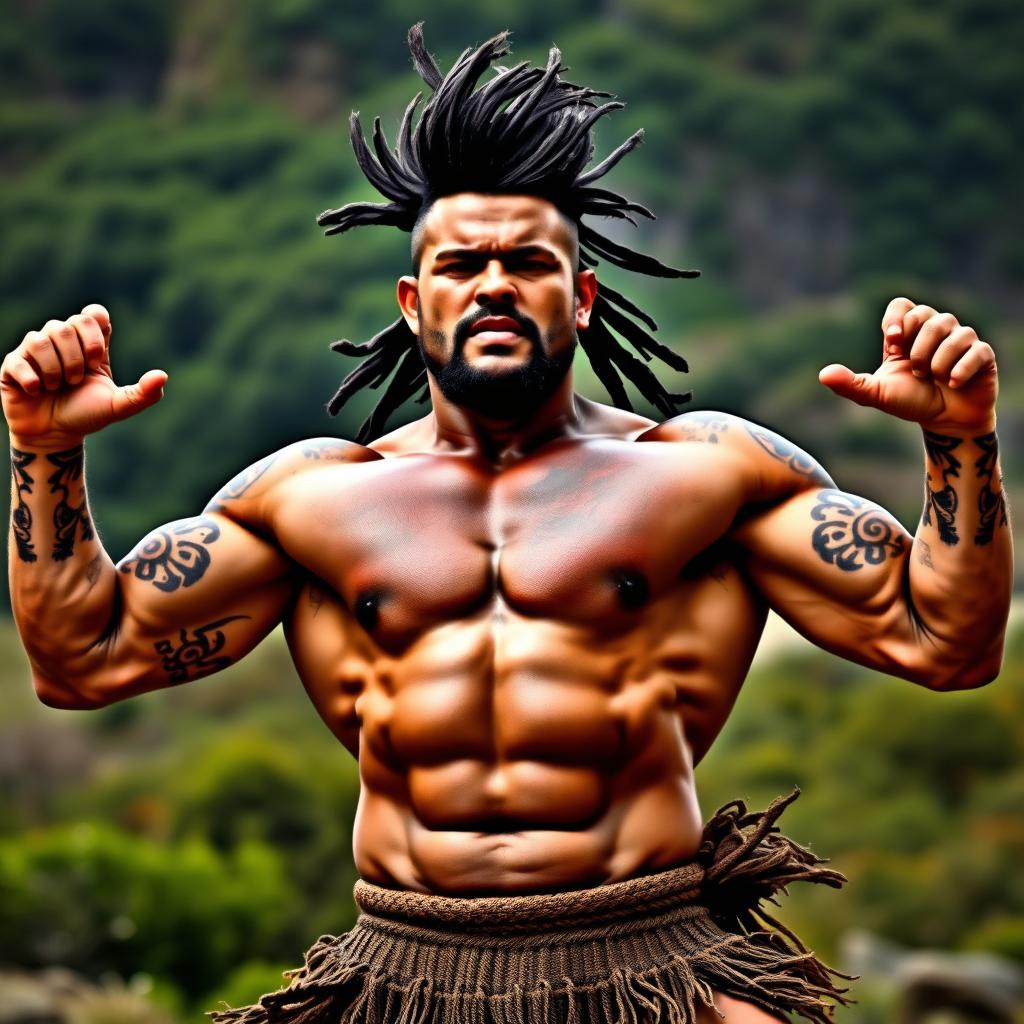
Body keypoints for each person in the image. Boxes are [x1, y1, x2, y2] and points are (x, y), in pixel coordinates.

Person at [3, 25, 1012, 1024]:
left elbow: (943, 640)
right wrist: (46, 452)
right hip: (402, 968)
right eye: (459, 265)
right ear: (412, 301)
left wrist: (957, 440)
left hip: (647, 953)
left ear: (579, 297)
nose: (492, 282)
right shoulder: (311, 498)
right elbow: (83, 660)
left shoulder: (707, 475)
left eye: (526, 261)